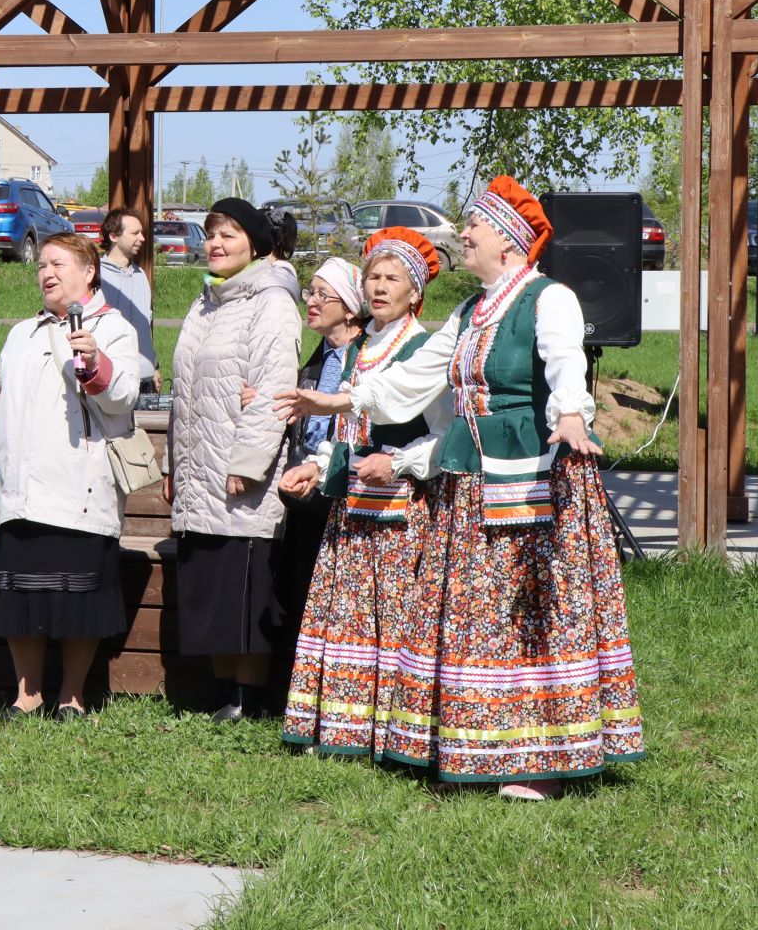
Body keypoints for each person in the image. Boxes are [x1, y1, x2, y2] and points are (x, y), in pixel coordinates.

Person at [276, 177, 645, 798]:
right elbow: (415, 378)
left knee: (525, 614)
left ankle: (542, 762)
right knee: (477, 617)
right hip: (471, 482)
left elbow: (563, 361)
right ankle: (479, 746)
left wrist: (574, 412)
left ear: (506, 239)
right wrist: (339, 396)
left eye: (473, 225)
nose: (463, 234)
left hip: (530, 479)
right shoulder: (471, 311)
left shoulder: (546, 297)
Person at [278, 229, 448, 758]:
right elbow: (347, 432)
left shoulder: (423, 349)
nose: (379, 286)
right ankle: (343, 729)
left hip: (403, 510)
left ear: (415, 293)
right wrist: (315, 464)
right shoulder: (363, 349)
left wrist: (398, 461)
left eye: (392, 278)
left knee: (393, 619)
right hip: (351, 510)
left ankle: (393, 731)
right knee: (348, 616)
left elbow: (446, 434)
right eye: (372, 276)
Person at [0, 234, 139, 719]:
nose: (45, 272)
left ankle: (72, 697)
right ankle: (27, 695)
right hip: (21, 492)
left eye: (57, 263)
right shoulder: (22, 332)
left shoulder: (113, 328)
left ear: (89, 271)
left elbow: (123, 399)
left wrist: (94, 363)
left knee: (78, 604)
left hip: (77, 487)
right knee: (21, 598)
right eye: (41, 263)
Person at [163, 197, 303, 723]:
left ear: (255, 243)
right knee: (213, 584)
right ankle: (225, 692)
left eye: (229, 234)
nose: (216, 244)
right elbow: (186, 392)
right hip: (200, 468)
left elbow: (272, 390)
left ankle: (249, 698)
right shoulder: (207, 302)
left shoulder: (271, 303)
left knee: (243, 583)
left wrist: (247, 461)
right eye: (211, 233)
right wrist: (175, 467)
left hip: (240, 472)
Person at [261, 255, 369, 714]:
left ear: (349, 308)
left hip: (343, 485)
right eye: (311, 292)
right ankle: (288, 691)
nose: (312, 301)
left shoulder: (363, 355)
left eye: (324, 295)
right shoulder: (321, 355)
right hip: (305, 483)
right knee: (293, 585)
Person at [96, 207, 158, 393]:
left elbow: (145, 325)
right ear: (114, 236)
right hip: (112, 379)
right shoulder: (94, 275)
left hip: (144, 380)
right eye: (135, 233)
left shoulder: (140, 275)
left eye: (142, 233)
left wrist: (154, 366)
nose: (142, 238)